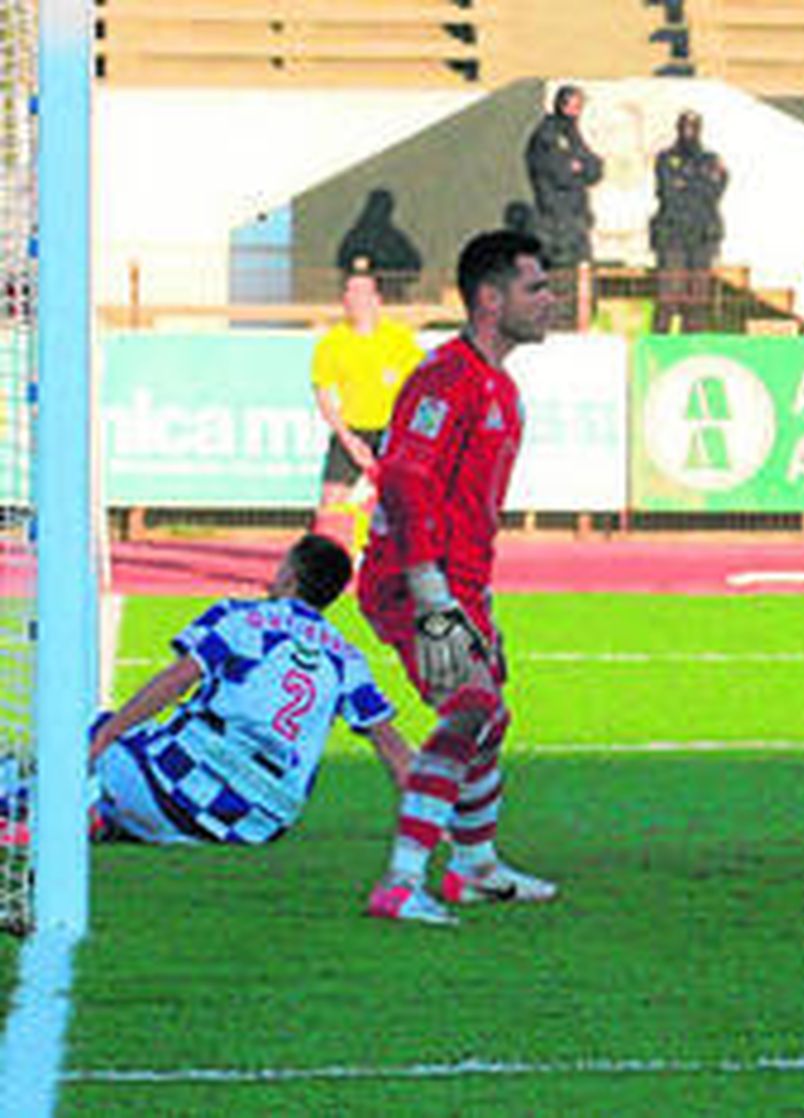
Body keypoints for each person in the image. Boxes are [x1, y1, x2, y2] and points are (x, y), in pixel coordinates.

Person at [359, 229, 560, 927]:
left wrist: (478, 598)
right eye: (536, 287)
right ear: (489, 297)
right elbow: (406, 478)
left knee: (489, 718)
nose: (550, 300)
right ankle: (400, 881)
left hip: (461, 581)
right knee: (470, 708)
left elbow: (468, 508)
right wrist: (430, 593)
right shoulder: (445, 378)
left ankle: (474, 868)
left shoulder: (498, 385)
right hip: (410, 581)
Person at [84, 534, 411, 845]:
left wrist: (107, 733)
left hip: (181, 789)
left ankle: (71, 814)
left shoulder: (239, 617)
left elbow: (177, 679)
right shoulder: (347, 657)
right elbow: (390, 744)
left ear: (290, 578)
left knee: (88, 736)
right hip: (257, 826)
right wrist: (433, 817)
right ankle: (120, 820)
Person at [310, 260, 426, 551]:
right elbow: (324, 395)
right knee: (330, 503)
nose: (355, 300)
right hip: (352, 430)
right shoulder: (333, 343)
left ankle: (407, 562)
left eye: (362, 294)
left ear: (377, 300)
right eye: (349, 294)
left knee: (408, 502)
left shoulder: (399, 339)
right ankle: (322, 572)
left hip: (393, 431)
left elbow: (423, 385)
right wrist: (349, 440)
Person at [524, 84, 604, 329]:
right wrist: (577, 167)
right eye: (573, 105)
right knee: (558, 280)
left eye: (580, 106)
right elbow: (561, 173)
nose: (577, 111)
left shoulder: (573, 134)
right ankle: (554, 326)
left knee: (580, 282)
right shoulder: (547, 135)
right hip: (555, 223)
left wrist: (581, 166)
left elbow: (595, 168)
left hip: (575, 220)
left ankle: (574, 324)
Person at [650, 110, 728, 334]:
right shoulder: (665, 158)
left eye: (693, 127)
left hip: (702, 237)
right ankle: (660, 344)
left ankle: (693, 344)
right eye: (685, 127)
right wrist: (698, 182)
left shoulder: (710, 159)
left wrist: (687, 182)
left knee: (697, 299)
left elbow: (715, 190)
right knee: (668, 296)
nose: (689, 132)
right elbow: (668, 192)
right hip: (672, 235)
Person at [335, 188, 424, 302]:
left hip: (371, 298)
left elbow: (414, 265)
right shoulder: (394, 239)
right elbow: (414, 265)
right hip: (383, 299)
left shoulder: (353, 236)